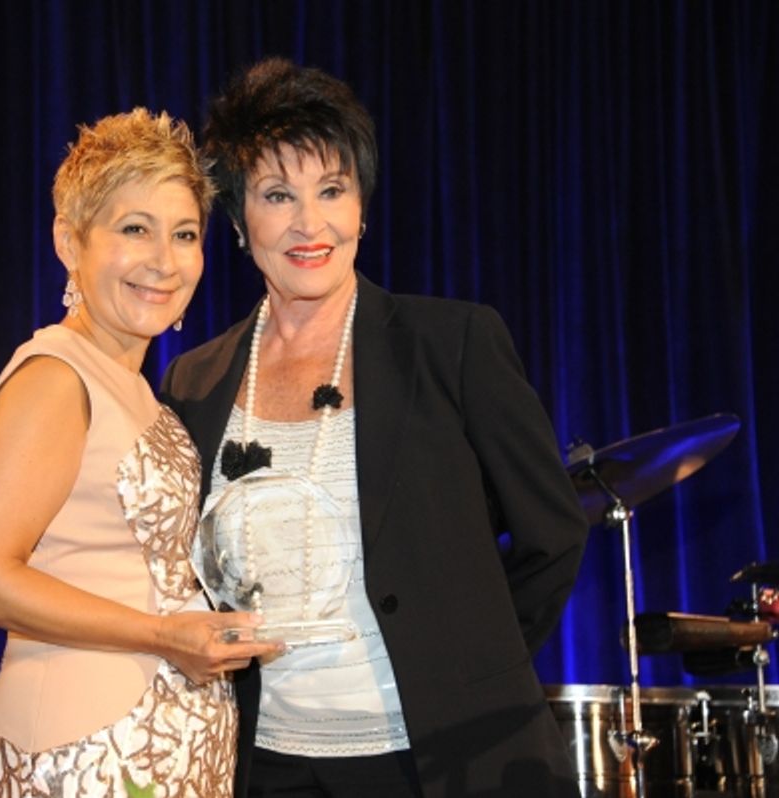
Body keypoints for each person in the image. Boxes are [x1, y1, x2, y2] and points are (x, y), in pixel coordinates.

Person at [159, 58, 589, 798]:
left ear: (362, 208)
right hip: (268, 765)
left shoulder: (453, 343)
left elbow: (555, 533)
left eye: (332, 190)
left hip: (449, 758)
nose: (309, 223)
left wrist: (469, 669)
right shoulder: (195, 380)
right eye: (276, 195)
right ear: (236, 220)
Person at [0, 108, 281, 798]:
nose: (164, 260)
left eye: (184, 235)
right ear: (71, 242)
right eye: (135, 230)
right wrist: (162, 634)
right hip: (84, 759)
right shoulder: (55, 378)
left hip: (154, 753)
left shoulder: (134, 388)